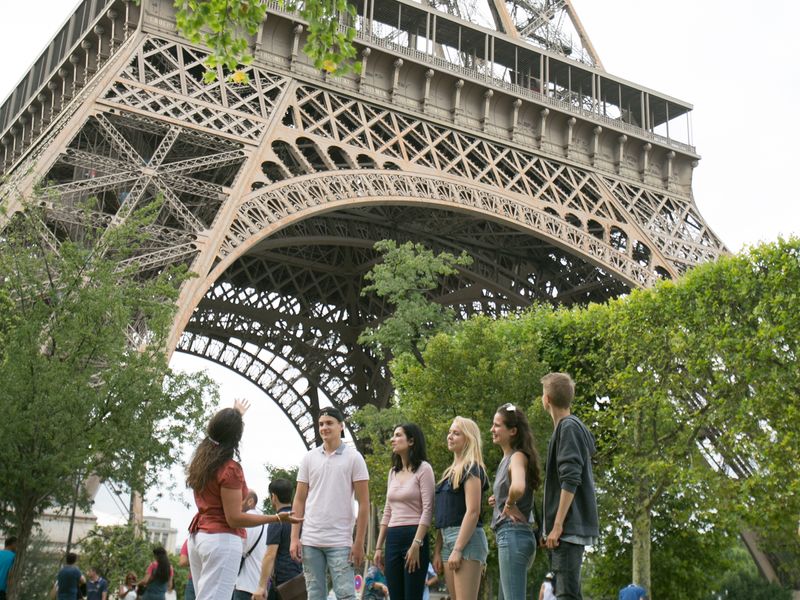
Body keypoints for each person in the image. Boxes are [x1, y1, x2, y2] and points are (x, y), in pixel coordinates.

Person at [186, 400, 301, 600]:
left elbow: (217, 433)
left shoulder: (202, 461)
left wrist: (234, 415)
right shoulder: (230, 469)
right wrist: (277, 518)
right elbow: (234, 519)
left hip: (199, 537)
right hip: (221, 540)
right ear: (236, 436)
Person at [290, 406, 370, 600]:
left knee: (345, 595)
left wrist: (359, 542)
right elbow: (299, 499)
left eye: (329, 423)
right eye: (321, 424)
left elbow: (364, 503)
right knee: (315, 595)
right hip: (310, 539)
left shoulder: (354, 458)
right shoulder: (309, 458)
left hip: (340, 540)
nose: (324, 427)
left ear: (341, 426)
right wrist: (294, 537)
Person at [541, 373, 599, 600]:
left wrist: (556, 526)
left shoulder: (568, 428)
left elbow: (570, 479)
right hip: (566, 530)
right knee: (569, 593)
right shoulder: (566, 429)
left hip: (567, 529)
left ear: (546, 400)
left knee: (566, 594)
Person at [374, 423, 435, 600]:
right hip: (392, 539)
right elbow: (387, 511)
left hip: (414, 536)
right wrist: (379, 547)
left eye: (398, 435)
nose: (393, 439)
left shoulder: (424, 469)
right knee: (395, 597)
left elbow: (428, 509)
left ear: (411, 441)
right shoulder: (392, 472)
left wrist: (416, 544)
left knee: (412, 596)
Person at [488, 403, 542, 600]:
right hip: (514, 536)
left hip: (513, 536)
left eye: (496, 425)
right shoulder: (508, 458)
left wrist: (509, 504)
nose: (492, 430)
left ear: (512, 431)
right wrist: (501, 500)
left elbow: (518, 487)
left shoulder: (517, 457)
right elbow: (516, 488)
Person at [432, 417, 488, 600]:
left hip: (466, 540)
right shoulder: (449, 473)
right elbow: (444, 516)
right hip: (448, 540)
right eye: (450, 432)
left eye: (456, 433)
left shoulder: (472, 468)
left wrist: (458, 549)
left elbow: (473, 511)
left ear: (468, 439)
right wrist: (438, 550)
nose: (450, 436)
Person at [253, 479, 303, 600]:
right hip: (302, 581)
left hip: (283, 584)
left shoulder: (277, 521)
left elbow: (270, 554)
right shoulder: (300, 519)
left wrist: (262, 586)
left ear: (273, 497)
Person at [233, 491, 267, 600]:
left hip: (244, 583)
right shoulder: (266, 523)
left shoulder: (244, 521)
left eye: (240, 499)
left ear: (250, 501)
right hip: (262, 586)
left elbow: (237, 549)